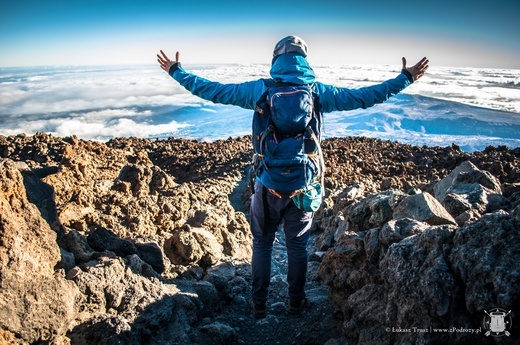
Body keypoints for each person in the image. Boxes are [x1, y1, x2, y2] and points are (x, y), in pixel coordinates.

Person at [157, 36, 429, 318]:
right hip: (303, 186)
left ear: (276, 59)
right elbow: (365, 96)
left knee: (262, 244)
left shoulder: (261, 90)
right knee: (297, 247)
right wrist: (404, 78)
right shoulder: (317, 92)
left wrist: (177, 71)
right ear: (304, 59)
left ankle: (258, 305)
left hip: (268, 186)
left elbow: (212, 90)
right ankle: (295, 304)